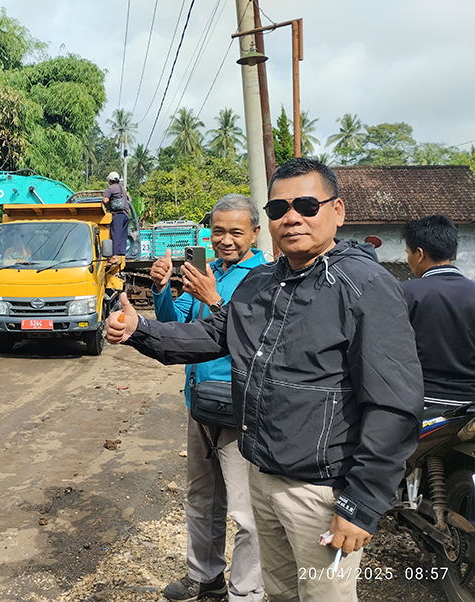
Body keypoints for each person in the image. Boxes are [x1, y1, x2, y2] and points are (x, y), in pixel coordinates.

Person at [107, 157, 424, 602]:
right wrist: (139, 328)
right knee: (279, 594)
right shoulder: (262, 285)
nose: (291, 217)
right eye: (279, 209)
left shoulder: (364, 286)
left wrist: (363, 503)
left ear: (338, 211)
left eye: (307, 205)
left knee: (322, 597)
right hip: (264, 474)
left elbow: (393, 404)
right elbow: (212, 335)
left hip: (321, 491)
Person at [152, 194, 266, 602]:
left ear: (255, 232)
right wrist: (162, 288)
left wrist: (213, 299)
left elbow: (253, 339)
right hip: (199, 403)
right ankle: (206, 577)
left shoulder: (265, 277)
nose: (226, 240)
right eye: (218, 231)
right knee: (202, 499)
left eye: (236, 232)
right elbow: (173, 325)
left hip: (239, 410)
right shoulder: (205, 270)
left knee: (246, 513)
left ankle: (246, 591)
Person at [402, 214, 475, 412]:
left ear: (419, 254)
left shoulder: (405, 293)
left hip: (420, 402)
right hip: (469, 407)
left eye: (408, 253)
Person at [102, 171, 130, 265]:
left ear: (109, 180)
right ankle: (121, 255)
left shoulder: (109, 189)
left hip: (118, 214)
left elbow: (105, 200)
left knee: (115, 234)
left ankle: (114, 257)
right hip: (126, 214)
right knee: (122, 235)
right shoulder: (122, 188)